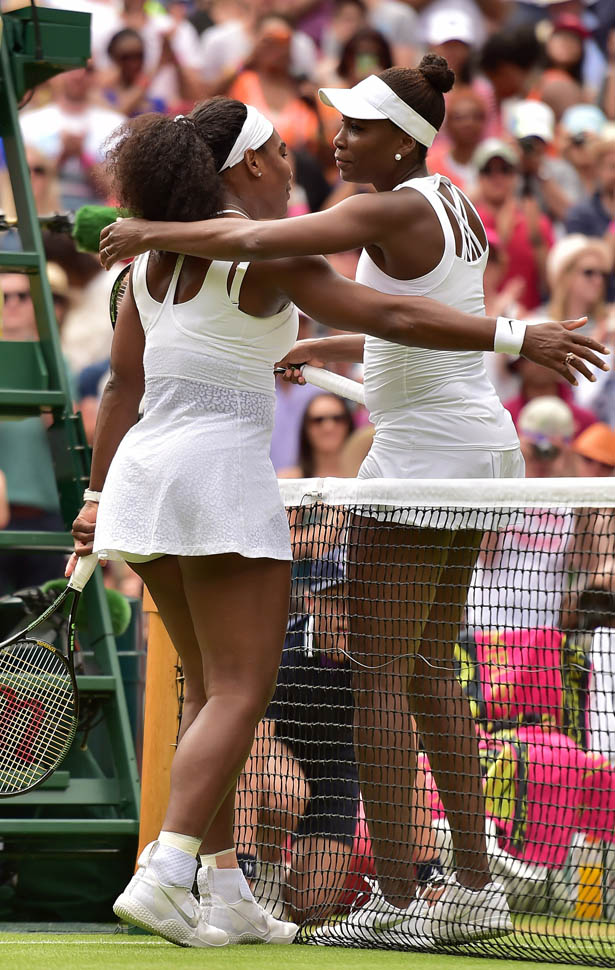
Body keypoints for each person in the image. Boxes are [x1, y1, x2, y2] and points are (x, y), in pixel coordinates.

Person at [99, 58, 610, 945]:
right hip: (468, 444)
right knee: (422, 671)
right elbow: (397, 323)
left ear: (403, 141)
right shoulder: (447, 198)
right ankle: (465, 886)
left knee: (363, 677)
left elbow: (292, 262)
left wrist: (148, 227)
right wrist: (325, 347)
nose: (334, 141)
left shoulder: (378, 210)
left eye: (357, 128)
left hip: (395, 459)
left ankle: (399, 896)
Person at [278, 392, 355, 479]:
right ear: (306, 428)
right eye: (318, 420)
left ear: (348, 424)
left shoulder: (364, 479)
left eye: (337, 419)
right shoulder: (288, 480)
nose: (328, 427)